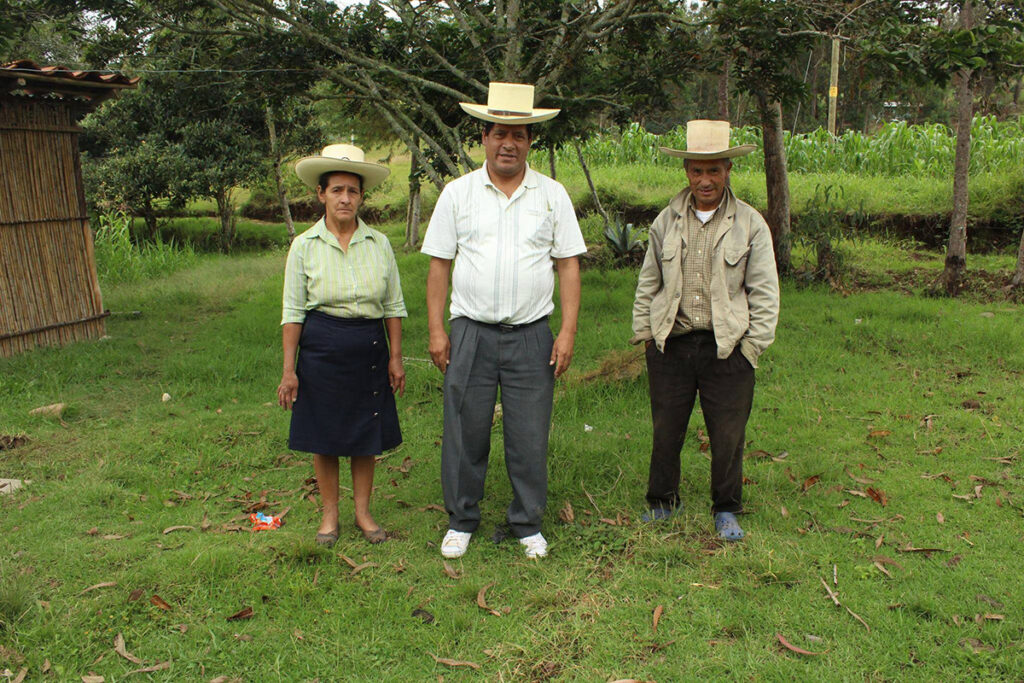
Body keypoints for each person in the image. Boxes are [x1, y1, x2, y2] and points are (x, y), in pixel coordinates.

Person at [421, 82, 586, 559]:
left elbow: (568, 265)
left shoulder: (552, 196)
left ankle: (527, 521)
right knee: (464, 428)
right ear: (484, 137)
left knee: (529, 431)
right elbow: (439, 265)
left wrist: (568, 332)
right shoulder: (457, 194)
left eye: (518, 134)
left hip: (532, 335)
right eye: (498, 134)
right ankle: (462, 519)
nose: (508, 143)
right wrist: (436, 330)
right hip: (470, 331)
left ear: (530, 140)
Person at [630, 120, 780, 541]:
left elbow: (765, 291)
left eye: (714, 170)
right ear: (687, 173)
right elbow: (649, 282)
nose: (705, 180)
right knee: (666, 428)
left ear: (728, 171)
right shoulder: (666, 221)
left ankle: (726, 508)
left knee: (728, 433)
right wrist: (646, 335)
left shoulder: (750, 224)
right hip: (672, 345)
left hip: (728, 348)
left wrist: (752, 347)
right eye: (697, 171)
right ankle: (662, 502)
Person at [277, 144, 407, 547]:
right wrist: (289, 368)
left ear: (361, 196)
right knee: (325, 433)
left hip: (369, 346)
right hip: (321, 347)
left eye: (353, 191)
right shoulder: (304, 246)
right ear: (321, 194)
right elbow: (294, 310)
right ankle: (329, 515)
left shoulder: (379, 244)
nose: (345, 198)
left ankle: (363, 513)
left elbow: (393, 305)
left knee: (366, 430)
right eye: (337, 190)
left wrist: (397, 357)